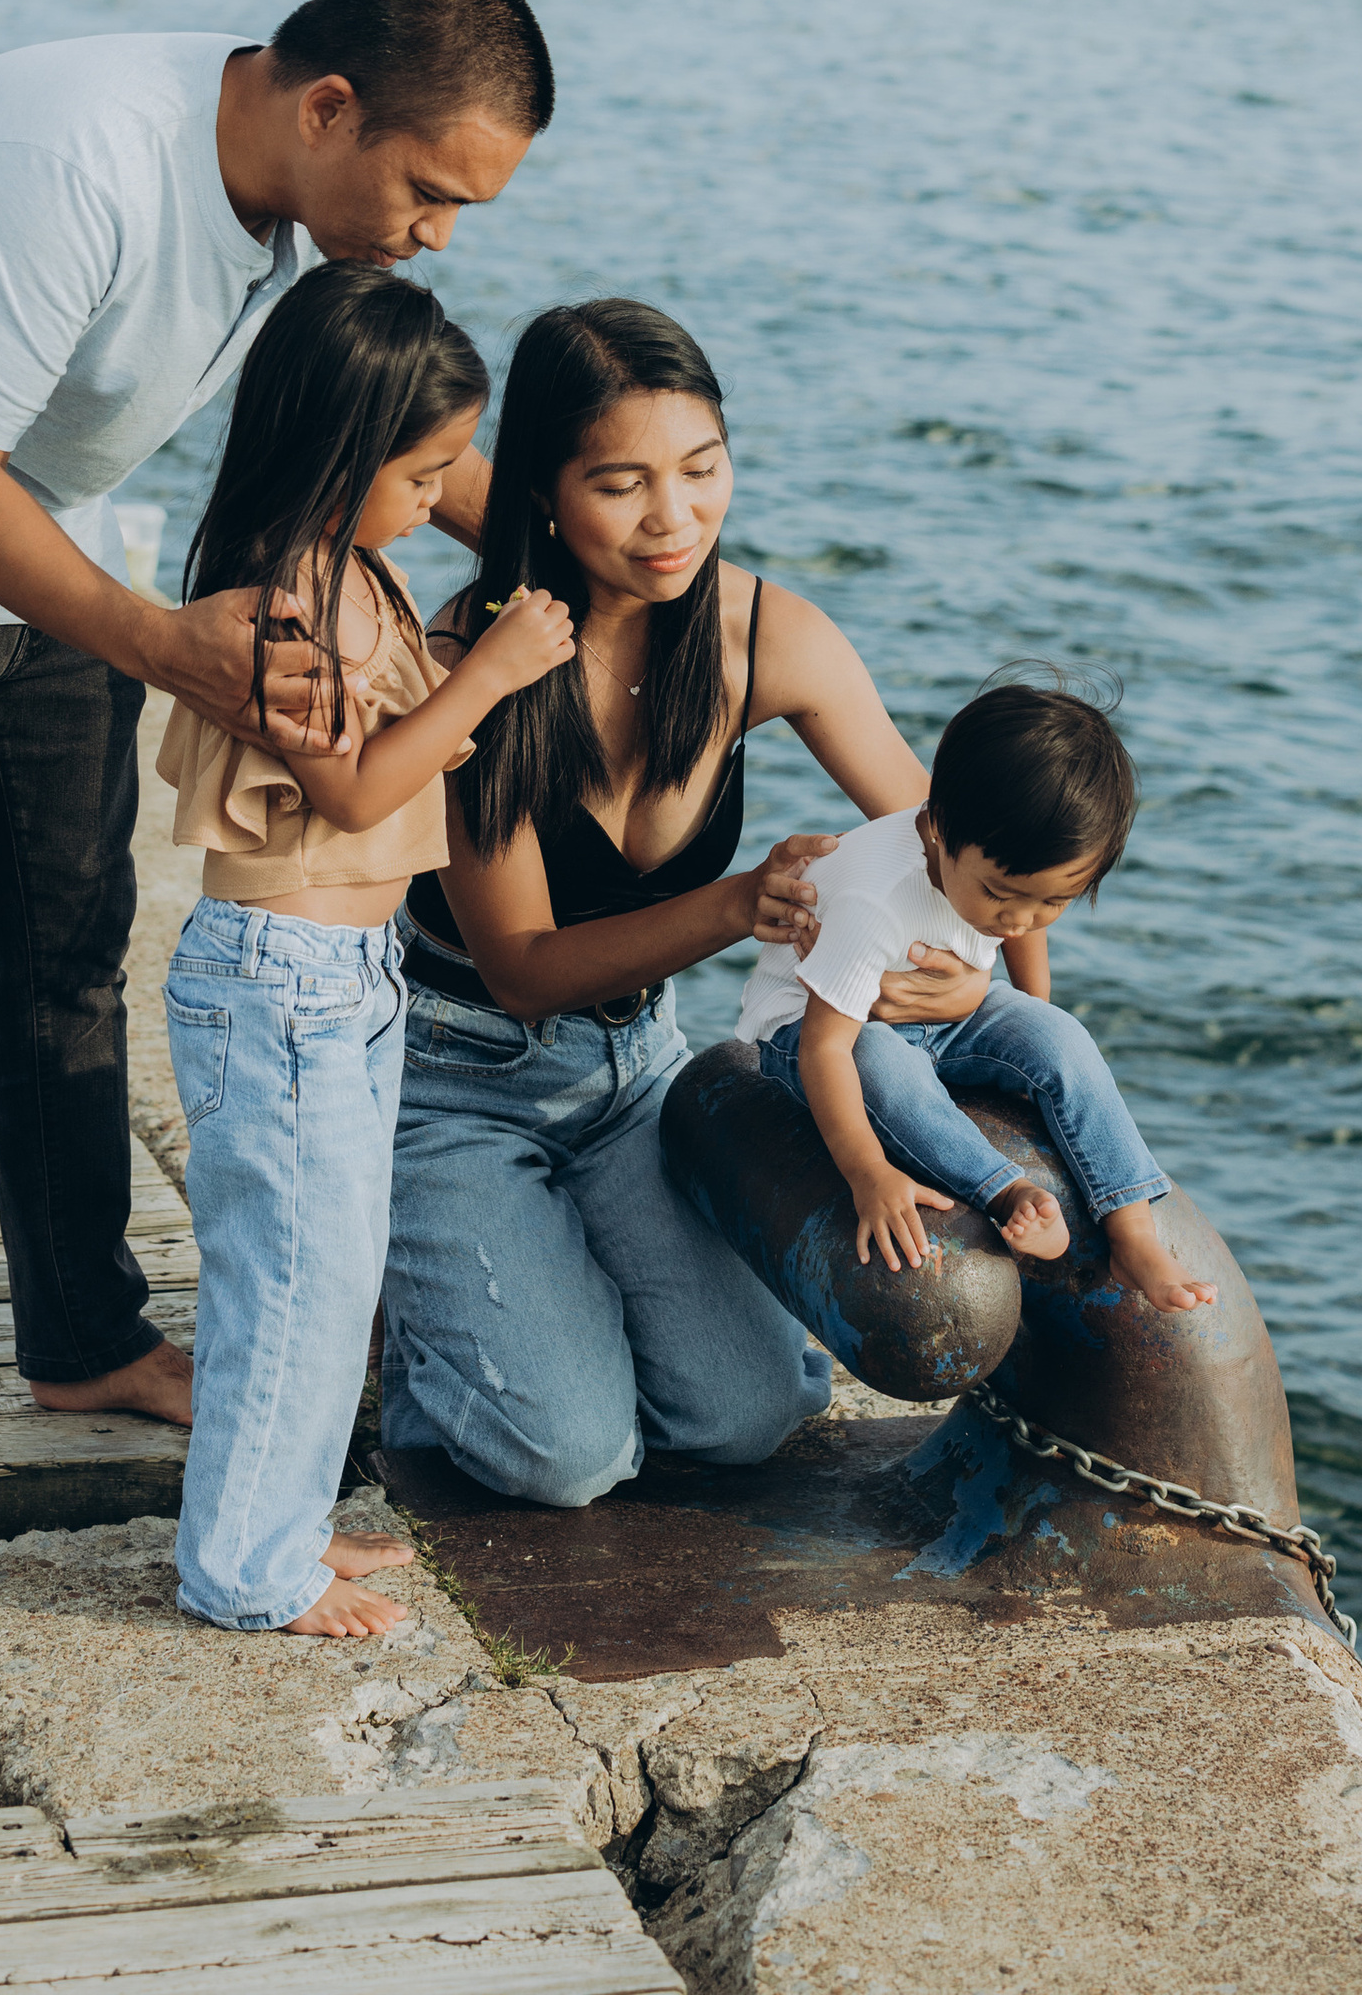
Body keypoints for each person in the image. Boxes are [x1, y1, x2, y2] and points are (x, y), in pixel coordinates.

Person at [0, 0, 552, 1589]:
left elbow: (397, 446)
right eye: (433, 193)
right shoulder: (73, 164)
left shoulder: (291, 200)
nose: (437, 236)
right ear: (329, 108)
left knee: (67, 951)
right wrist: (165, 643)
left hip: (45, 533)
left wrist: (598, 543)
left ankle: (82, 1336)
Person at [379, 297, 994, 1507]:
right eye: (621, 485)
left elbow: (956, 849)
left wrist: (969, 978)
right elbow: (520, 968)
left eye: (702, 469)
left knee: (748, 1417)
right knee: (568, 1458)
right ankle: (421, 1308)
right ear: (543, 490)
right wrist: (733, 906)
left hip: (636, 1074)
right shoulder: (473, 661)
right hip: (449, 1083)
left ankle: (531, 1298)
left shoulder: (768, 634)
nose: (674, 518)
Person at [157, 262, 574, 1640]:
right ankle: (243, 1570)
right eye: (425, 473)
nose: (443, 496)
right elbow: (350, 792)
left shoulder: (352, 568)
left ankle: (276, 1524)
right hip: (281, 983)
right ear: (343, 456)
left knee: (328, 1274)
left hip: (339, 979)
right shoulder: (294, 597)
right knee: (295, 1275)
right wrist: (492, 675)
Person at [737, 682, 1217, 1306]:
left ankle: (1133, 1230)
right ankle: (1010, 1194)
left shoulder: (1006, 874)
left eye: (1054, 901)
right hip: (807, 1030)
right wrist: (868, 1172)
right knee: (879, 1059)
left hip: (936, 1016)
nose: (1018, 920)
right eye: (998, 895)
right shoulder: (875, 899)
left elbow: (1025, 931)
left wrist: (1033, 1024)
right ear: (939, 827)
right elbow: (826, 1049)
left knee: (1062, 1034)